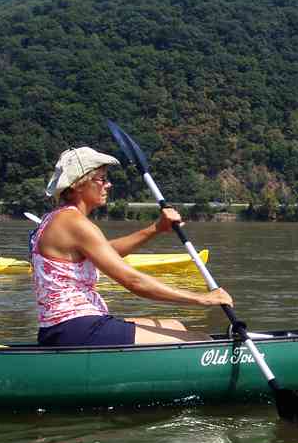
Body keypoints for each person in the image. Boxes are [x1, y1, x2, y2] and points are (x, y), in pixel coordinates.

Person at [32, 146, 232, 346]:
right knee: (200, 341)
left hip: (64, 327)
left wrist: (156, 228)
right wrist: (202, 299)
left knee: (175, 325)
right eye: (101, 179)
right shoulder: (75, 223)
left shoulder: (55, 218)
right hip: (77, 329)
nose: (108, 185)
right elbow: (134, 281)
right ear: (78, 185)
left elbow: (106, 252)